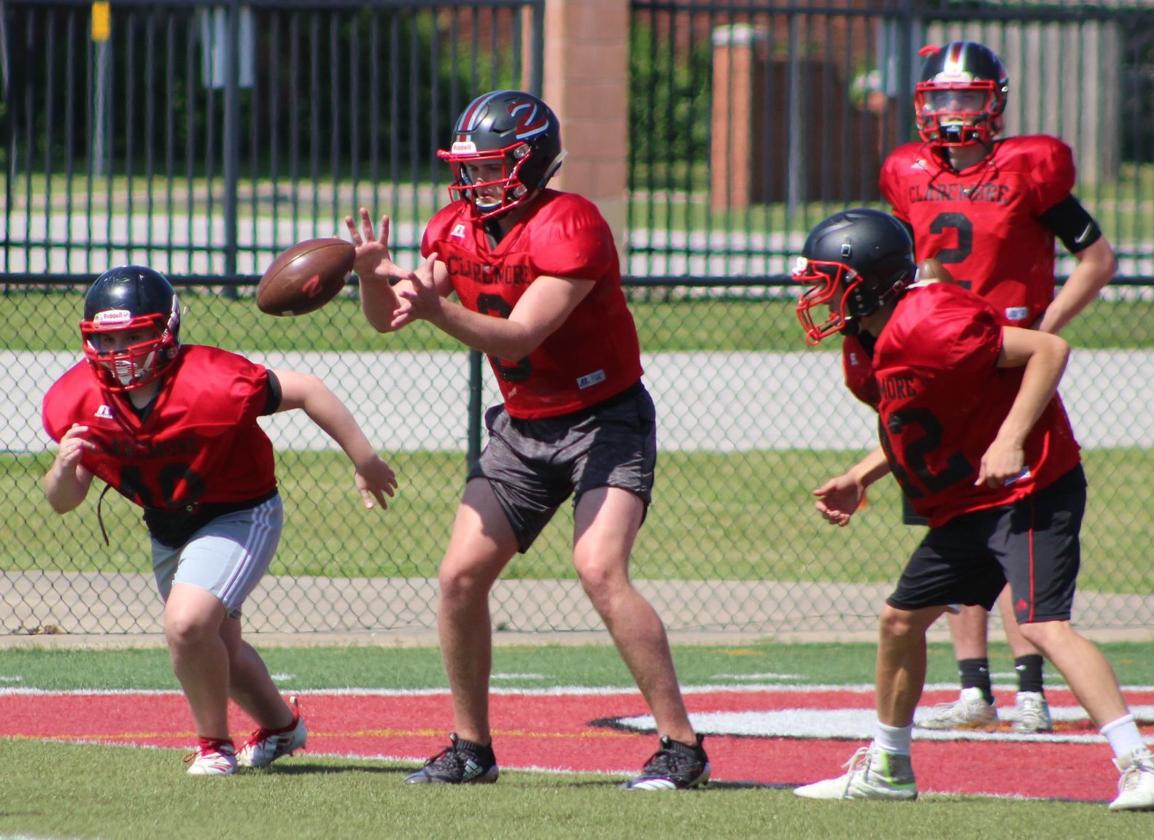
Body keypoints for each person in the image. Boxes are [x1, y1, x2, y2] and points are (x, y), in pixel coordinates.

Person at [344, 89, 709, 790]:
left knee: (600, 568)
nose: (474, 181)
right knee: (459, 577)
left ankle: (681, 746)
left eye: (490, 167)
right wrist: (368, 275)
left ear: (530, 162)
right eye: (470, 168)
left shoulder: (571, 222)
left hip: (604, 419)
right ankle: (471, 748)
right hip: (523, 426)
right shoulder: (453, 228)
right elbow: (391, 318)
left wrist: (435, 308)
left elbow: (518, 333)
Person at [788, 208, 1154, 810]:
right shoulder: (865, 345)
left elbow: (1050, 348)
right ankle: (889, 767)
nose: (817, 295)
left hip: (1029, 486)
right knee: (900, 620)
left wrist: (1011, 438)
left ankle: (1141, 765)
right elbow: (923, 421)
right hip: (968, 501)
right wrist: (859, 475)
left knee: (1043, 624)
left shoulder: (934, 321)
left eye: (828, 279)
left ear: (866, 280)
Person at [41, 265, 397, 776]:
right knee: (217, 646)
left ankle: (214, 746)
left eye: (136, 334)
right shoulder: (75, 399)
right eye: (110, 337)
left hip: (240, 510)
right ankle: (281, 728)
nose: (121, 350)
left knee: (187, 625)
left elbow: (309, 390)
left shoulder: (214, 381)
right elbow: (63, 500)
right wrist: (63, 468)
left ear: (166, 330)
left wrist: (364, 459)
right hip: (167, 525)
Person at [878, 40, 1118, 733]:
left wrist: (1046, 322)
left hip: (1006, 354)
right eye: (941, 98)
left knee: (1015, 515)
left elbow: (1097, 258)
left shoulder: (1027, 169)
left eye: (969, 97)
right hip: (941, 356)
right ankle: (974, 690)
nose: (954, 112)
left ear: (996, 102)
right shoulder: (906, 171)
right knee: (957, 516)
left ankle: (1031, 690)